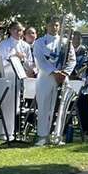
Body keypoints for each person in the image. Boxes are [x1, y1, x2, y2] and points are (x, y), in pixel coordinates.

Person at [32, 18, 76, 146]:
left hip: (62, 77)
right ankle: (42, 135)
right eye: (51, 25)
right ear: (46, 25)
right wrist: (54, 72)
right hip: (46, 77)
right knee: (44, 107)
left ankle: (57, 135)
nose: (54, 27)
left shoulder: (66, 42)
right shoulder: (40, 42)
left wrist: (65, 73)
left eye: (57, 25)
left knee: (60, 107)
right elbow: (40, 61)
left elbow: (72, 59)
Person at [71, 31, 88, 136]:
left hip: (84, 82)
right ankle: (67, 128)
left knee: (84, 107)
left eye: (78, 38)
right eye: (74, 38)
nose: (76, 41)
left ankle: (87, 129)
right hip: (70, 81)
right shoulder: (66, 50)